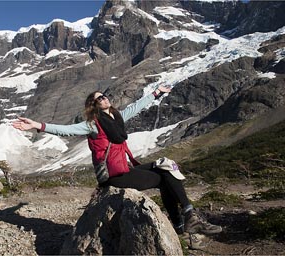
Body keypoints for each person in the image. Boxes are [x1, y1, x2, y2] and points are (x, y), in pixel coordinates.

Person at [12, 85, 222, 249]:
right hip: (114, 175)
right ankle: (185, 223)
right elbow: (67, 130)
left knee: (167, 166)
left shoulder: (117, 117)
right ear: (93, 106)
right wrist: (38, 125)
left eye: (103, 95)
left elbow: (136, 107)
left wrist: (156, 93)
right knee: (163, 178)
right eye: (97, 99)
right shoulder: (93, 124)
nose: (103, 98)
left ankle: (185, 219)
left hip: (125, 168)